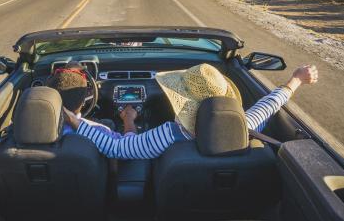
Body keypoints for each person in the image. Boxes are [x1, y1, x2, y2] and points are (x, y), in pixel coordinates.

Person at [62, 63, 318, 159]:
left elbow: (119, 149)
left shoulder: (170, 134)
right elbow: (269, 105)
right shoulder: (243, 125)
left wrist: (70, 117)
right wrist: (296, 80)